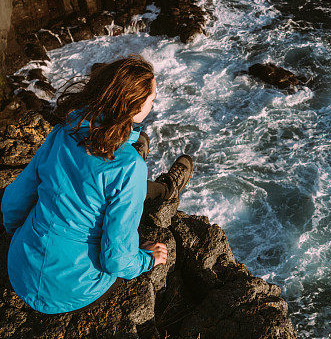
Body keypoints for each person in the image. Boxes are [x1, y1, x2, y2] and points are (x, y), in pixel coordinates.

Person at [0, 54, 193, 315]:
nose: (154, 102)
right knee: (130, 176)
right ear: (133, 108)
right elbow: (115, 260)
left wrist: (24, 238)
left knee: (120, 175)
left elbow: (13, 201)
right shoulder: (130, 169)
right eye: (152, 99)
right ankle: (168, 188)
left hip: (21, 268)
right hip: (71, 290)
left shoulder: (64, 131)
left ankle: (137, 153)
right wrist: (147, 260)